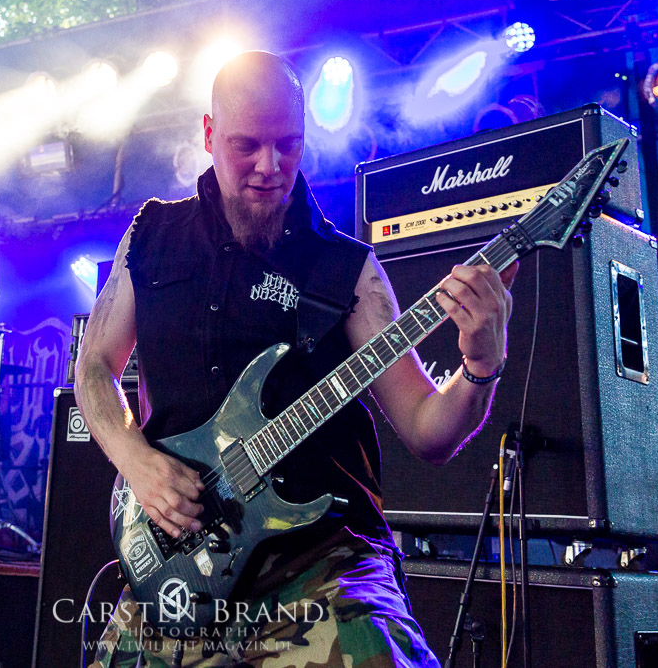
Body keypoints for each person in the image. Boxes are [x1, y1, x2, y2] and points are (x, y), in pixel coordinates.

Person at [74, 50, 517, 667]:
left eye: (288, 144)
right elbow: (93, 367)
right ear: (209, 134)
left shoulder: (347, 269)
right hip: (178, 562)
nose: (270, 165)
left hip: (320, 565)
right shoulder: (151, 235)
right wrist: (137, 462)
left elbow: (428, 431)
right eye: (246, 145)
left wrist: (480, 366)